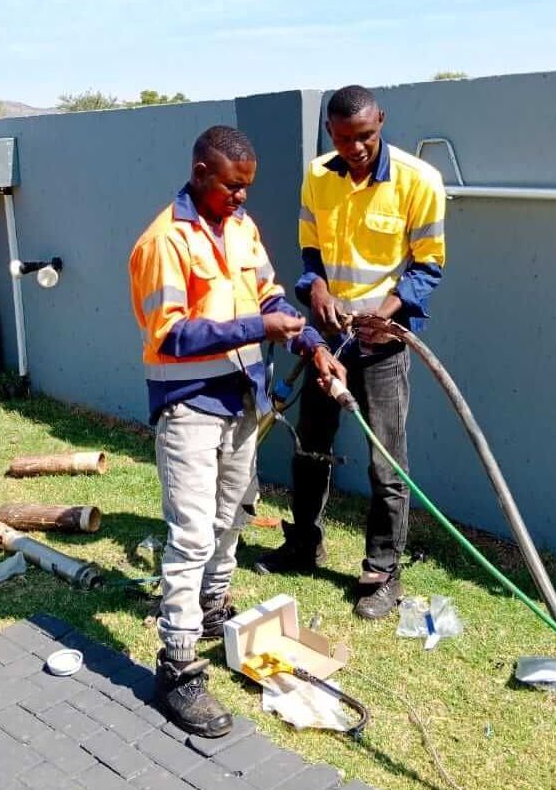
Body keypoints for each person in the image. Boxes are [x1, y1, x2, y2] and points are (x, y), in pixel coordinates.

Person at [128, 124, 347, 737]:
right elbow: (170, 334)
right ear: (201, 172)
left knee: (233, 520)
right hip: (190, 404)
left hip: (244, 401)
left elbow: (272, 295)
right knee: (192, 537)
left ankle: (212, 609)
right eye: (232, 186)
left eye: (247, 188)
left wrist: (309, 341)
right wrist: (256, 328)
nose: (242, 198)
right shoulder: (164, 241)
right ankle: (176, 666)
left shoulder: (242, 229)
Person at [254, 86, 446, 621]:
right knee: (311, 446)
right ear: (331, 134)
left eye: (364, 136)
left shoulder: (418, 181)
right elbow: (311, 254)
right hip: (326, 339)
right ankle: (304, 542)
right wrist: (314, 290)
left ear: (381, 121)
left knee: (386, 462)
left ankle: (383, 572)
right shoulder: (319, 175)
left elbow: (428, 267)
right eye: (343, 138)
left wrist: (387, 314)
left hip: (383, 344)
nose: (355, 148)